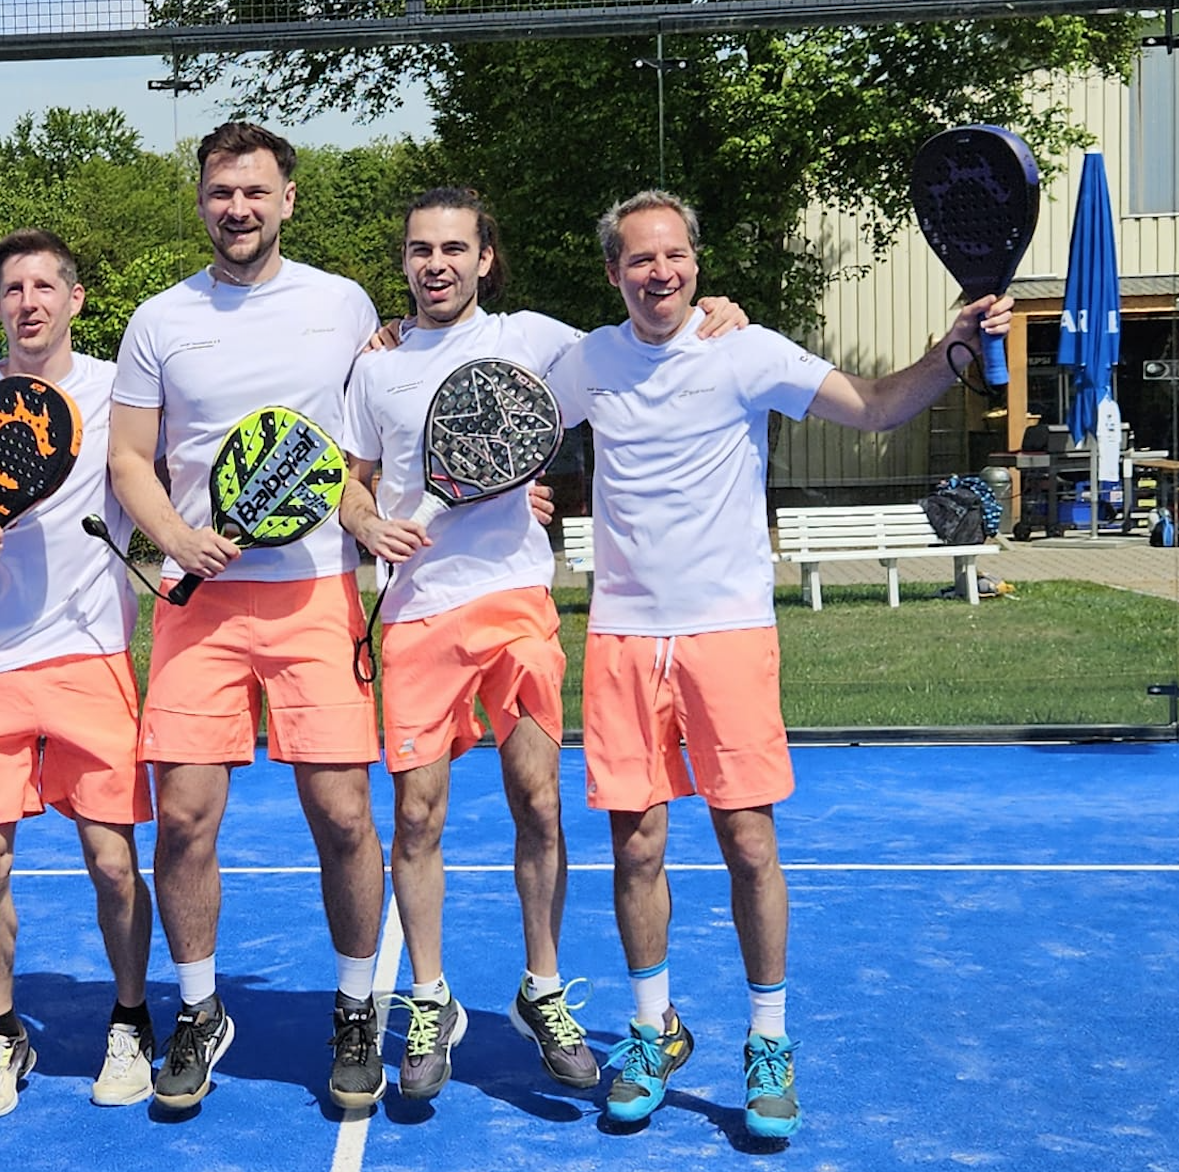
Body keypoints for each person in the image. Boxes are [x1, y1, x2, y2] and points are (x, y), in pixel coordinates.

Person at [542, 190, 1011, 1139]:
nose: (659, 273)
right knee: (636, 847)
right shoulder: (582, 362)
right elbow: (504, 426)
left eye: (673, 256)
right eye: (639, 260)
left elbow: (876, 407)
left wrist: (954, 347)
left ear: (697, 264)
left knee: (748, 845)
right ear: (613, 272)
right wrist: (398, 338)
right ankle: (649, 1030)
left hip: (729, 635)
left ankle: (768, 1043)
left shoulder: (747, 350)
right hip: (624, 636)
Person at [339, 188, 747, 1101]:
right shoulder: (376, 368)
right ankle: (431, 998)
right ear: (403, 262)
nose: (434, 263)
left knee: (539, 805)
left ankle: (542, 988)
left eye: (454, 247)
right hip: (414, 613)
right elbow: (352, 482)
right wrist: (367, 524)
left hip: (514, 603)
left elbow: (650, 339)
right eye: (418, 249)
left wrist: (721, 311)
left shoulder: (540, 340)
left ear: (487, 257)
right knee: (416, 818)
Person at [107, 121, 388, 1111]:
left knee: (344, 815)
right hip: (199, 610)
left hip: (317, 598)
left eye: (256, 192)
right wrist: (175, 537)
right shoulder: (159, 320)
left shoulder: (343, 306)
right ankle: (197, 1008)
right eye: (222, 192)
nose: (238, 208)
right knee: (183, 819)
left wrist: (365, 511)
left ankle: (357, 1007)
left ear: (287, 199)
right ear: (202, 201)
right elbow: (130, 460)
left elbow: (365, 443)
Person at [0, 227, 157, 1118]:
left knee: (112, 862)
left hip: (91, 656)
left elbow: (174, 474)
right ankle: (1, 1036)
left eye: (46, 286)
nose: (29, 302)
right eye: (13, 288)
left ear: (75, 299)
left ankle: (130, 1023)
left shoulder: (119, 395)